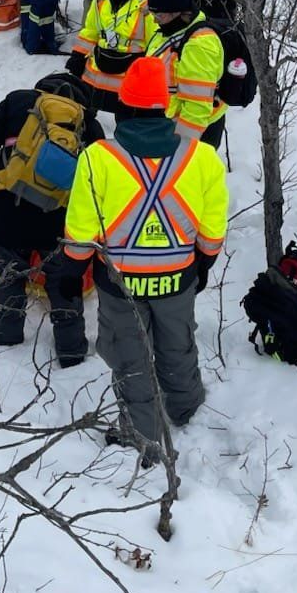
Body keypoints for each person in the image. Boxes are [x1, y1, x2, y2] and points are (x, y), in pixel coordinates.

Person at [62, 57, 228, 461]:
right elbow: (212, 226)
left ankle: (142, 435)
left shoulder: (97, 158)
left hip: (119, 282)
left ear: (123, 104)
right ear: (165, 105)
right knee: (178, 344)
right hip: (178, 278)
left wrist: (73, 267)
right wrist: (202, 264)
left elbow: (81, 228)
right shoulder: (201, 156)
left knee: (129, 355)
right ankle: (187, 410)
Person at [0, 73, 104, 367]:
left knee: (7, 273)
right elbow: (97, 175)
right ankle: (71, 352)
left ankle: (6, 337)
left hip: (5, 208)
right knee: (62, 283)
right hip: (56, 220)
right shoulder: (87, 122)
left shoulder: (19, 101)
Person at [65, 0, 156, 112]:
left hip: (130, 73)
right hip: (97, 72)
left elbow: (156, 44)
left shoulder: (149, 3)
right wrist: (78, 57)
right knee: (84, 112)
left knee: (126, 122)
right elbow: (90, 31)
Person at [144, 0, 225, 147]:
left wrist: (183, 147)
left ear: (177, 13)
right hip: (168, 125)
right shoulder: (168, 31)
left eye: (158, 15)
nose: (154, 20)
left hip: (194, 132)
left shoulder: (199, 45)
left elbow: (197, 107)